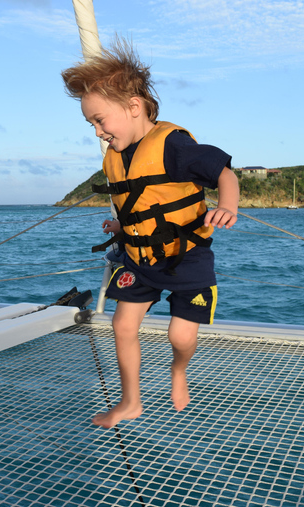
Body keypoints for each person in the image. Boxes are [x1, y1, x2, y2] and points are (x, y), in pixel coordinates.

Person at [62, 38, 239, 429]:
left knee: (180, 337)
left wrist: (228, 206)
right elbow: (142, 205)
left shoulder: (173, 145)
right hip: (138, 259)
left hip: (185, 259)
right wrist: (122, 226)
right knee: (122, 325)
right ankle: (130, 401)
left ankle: (179, 371)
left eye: (100, 120)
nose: (97, 132)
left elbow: (224, 173)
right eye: (90, 123)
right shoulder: (115, 157)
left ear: (134, 107)